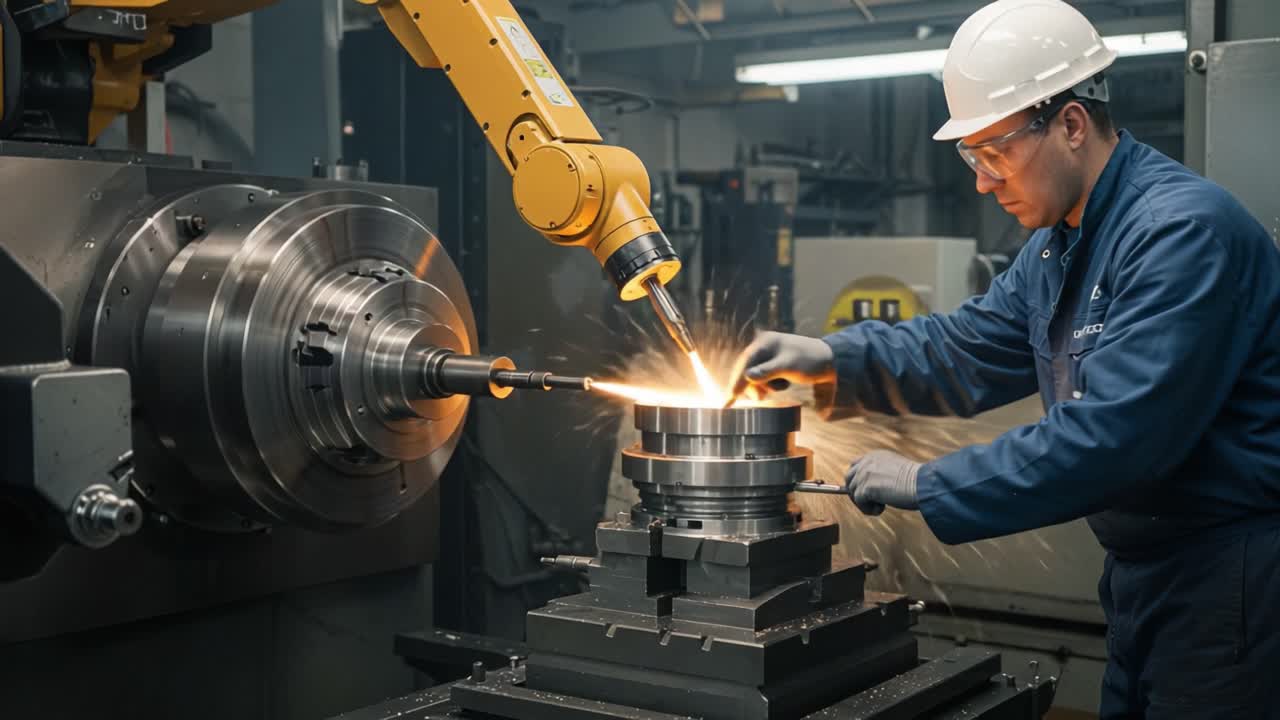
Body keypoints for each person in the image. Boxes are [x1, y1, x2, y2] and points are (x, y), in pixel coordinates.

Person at [727, 0, 1280, 716]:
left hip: (1231, 582)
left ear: (1071, 125)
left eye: (995, 153)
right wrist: (833, 359)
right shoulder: (1060, 243)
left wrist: (931, 482)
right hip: (1144, 577)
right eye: (972, 156)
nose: (983, 181)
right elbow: (965, 348)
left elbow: (1115, 440)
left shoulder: (1178, 234)